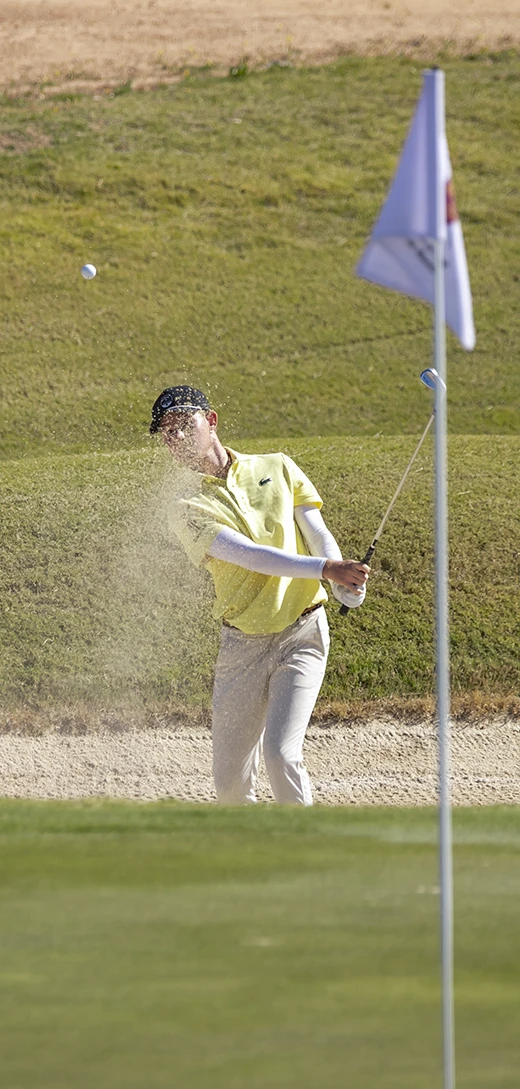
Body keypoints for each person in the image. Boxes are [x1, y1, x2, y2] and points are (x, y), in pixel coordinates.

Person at [150, 385, 370, 806]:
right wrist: (327, 570)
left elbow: (316, 531)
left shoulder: (278, 466)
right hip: (242, 646)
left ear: (210, 421)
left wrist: (344, 582)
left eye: (183, 424)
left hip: (302, 633)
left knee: (280, 754)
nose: (175, 437)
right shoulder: (184, 505)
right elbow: (250, 557)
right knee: (230, 781)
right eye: (166, 432)